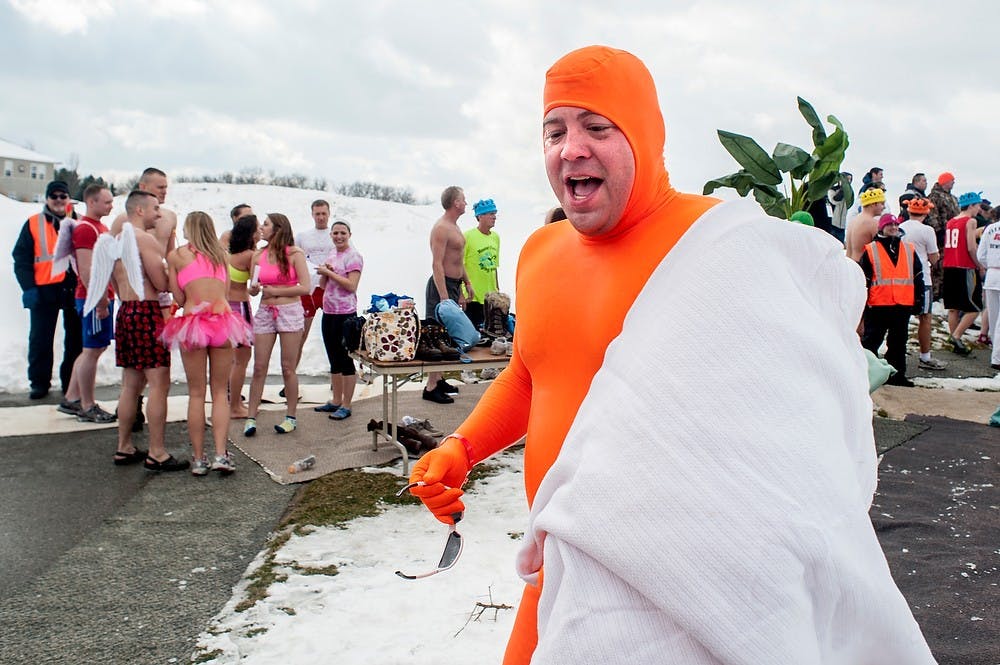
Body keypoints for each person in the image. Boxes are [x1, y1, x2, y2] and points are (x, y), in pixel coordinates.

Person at [406, 46, 935, 664]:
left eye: (596, 127)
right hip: (557, 569)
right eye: (554, 131)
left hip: (675, 599)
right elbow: (530, 374)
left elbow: (790, 427)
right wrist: (462, 447)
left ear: (645, 134)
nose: (570, 147)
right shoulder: (541, 253)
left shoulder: (717, 246)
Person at [162, 212, 253, 476]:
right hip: (222, 323)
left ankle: (199, 459)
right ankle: (221, 454)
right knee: (219, 394)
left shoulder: (177, 256)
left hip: (193, 323)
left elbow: (177, 296)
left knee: (196, 393)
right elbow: (224, 294)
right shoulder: (221, 255)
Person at [104, 190, 187, 470]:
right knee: (159, 384)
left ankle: (124, 446)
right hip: (147, 312)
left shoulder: (117, 240)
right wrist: (174, 270)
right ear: (139, 210)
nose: (159, 214)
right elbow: (161, 283)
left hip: (125, 309)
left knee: (130, 384)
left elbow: (113, 281)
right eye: (155, 208)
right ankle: (157, 452)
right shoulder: (145, 240)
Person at [12, 179, 82, 400]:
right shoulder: (33, 224)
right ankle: (39, 382)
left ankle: (70, 382)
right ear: (47, 199)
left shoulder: (80, 223)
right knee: (40, 338)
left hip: (74, 288)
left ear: (69, 199)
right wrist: (29, 288)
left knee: (75, 339)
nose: (59, 200)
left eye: (63, 196)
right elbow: (21, 259)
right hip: (45, 289)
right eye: (54, 196)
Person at [243, 213, 310, 436]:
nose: (261, 228)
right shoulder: (258, 255)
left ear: (279, 229)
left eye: (266, 224)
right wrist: (253, 289)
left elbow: (305, 287)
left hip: (289, 310)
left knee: (287, 367)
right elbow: (254, 285)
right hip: (265, 311)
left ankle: (291, 416)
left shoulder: (294, 254)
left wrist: (278, 291)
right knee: (259, 366)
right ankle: (251, 417)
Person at [60, 184, 117, 421]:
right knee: (91, 351)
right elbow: (86, 270)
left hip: (102, 296)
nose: (111, 206)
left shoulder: (100, 227)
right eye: (106, 202)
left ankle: (73, 398)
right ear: (91, 202)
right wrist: (100, 301)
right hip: (93, 297)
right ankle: (87, 404)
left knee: (94, 349)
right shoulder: (85, 229)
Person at [858, 214, 924, 386]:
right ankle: (864, 374)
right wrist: (863, 305)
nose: (894, 228)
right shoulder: (871, 250)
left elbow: (917, 275)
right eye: (889, 225)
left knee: (898, 343)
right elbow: (863, 279)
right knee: (871, 342)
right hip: (878, 304)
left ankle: (897, 375)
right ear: (882, 228)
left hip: (902, 304)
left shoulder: (908, 248)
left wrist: (919, 299)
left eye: (895, 225)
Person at [422, 185, 473, 404]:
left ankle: (439, 378)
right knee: (437, 334)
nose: (466, 203)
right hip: (440, 287)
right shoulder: (442, 228)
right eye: (463, 199)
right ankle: (430, 387)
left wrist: (465, 285)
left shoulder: (455, 226)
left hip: (453, 284)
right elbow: (437, 264)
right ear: (455, 202)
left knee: (448, 336)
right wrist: (444, 297)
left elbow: (458, 260)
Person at [314, 220, 363, 420]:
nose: (339, 236)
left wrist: (329, 273)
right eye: (335, 233)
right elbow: (324, 285)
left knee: (345, 359)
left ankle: (347, 403)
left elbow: (351, 285)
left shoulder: (354, 256)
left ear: (349, 234)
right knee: (333, 357)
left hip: (346, 313)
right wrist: (324, 273)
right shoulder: (332, 255)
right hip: (329, 312)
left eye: (342, 233)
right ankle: (335, 400)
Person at [899, 198, 946, 370]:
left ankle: (897, 351)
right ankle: (925, 356)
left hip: (902, 278)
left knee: (901, 317)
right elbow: (934, 258)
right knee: (925, 317)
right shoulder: (927, 230)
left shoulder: (901, 227)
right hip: (923, 278)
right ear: (926, 213)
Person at [292, 199, 335, 382]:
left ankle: (337, 380)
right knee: (299, 336)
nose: (321, 217)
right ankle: (290, 379)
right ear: (312, 214)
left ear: (329, 213)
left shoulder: (336, 234)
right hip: (308, 290)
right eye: (317, 214)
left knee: (334, 337)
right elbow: (293, 259)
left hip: (330, 289)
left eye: (324, 213)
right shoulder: (302, 236)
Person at [942, 192, 986, 355]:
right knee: (974, 307)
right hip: (964, 266)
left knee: (953, 307)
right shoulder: (970, 221)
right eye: (978, 205)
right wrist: (979, 265)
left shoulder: (951, 221)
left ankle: (955, 341)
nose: (979, 209)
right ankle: (957, 336)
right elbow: (970, 247)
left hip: (950, 266)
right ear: (972, 205)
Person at [226, 214, 259, 418]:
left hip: (226, 306)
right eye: (258, 228)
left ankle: (231, 401)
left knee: (231, 359)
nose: (261, 231)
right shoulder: (251, 256)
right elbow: (254, 287)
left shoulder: (229, 254)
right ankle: (235, 406)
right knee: (242, 359)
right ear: (252, 233)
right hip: (240, 307)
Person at [463, 198, 501, 330]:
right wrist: (461, 293)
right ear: (480, 216)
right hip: (471, 297)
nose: (494, 217)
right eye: (491, 213)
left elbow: (495, 266)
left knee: (489, 336)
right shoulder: (467, 236)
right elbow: (459, 265)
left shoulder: (495, 237)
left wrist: (497, 289)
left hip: (490, 297)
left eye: (495, 213)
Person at [928, 172, 959, 300]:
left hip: (953, 235)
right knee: (939, 266)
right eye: (952, 180)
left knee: (949, 265)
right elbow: (932, 214)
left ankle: (945, 293)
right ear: (945, 182)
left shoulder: (952, 198)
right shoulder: (935, 196)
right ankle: (936, 294)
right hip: (941, 235)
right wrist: (939, 232)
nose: (953, 182)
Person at [977, 211, 1000, 369]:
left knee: (993, 316)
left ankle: (995, 352)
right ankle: (997, 357)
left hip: (992, 274)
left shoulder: (990, 229)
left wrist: (989, 264)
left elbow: (981, 255)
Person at [844, 187, 886, 261]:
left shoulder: (853, 221)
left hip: (849, 264)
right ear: (873, 204)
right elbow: (883, 249)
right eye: (882, 204)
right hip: (862, 266)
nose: (884, 207)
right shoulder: (872, 223)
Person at [827, 171, 852, 244]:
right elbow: (834, 200)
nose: (849, 181)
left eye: (850, 179)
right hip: (833, 223)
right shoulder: (832, 190)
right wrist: (842, 190)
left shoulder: (849, 193)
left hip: (843, 224)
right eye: (847, 179)